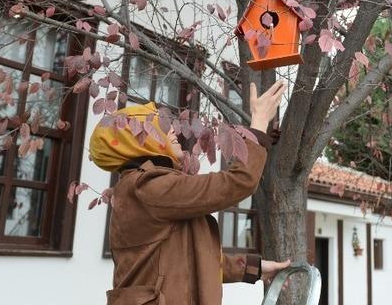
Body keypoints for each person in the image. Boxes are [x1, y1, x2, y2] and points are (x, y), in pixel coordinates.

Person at [89, 80, 291, 305]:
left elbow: (190, 263)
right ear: (136, 141)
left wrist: (255, 269)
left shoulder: (145, 187)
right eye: (161, 127)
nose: (173, 131)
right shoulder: (147, 187)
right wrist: (260, 123)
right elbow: (237, 182)